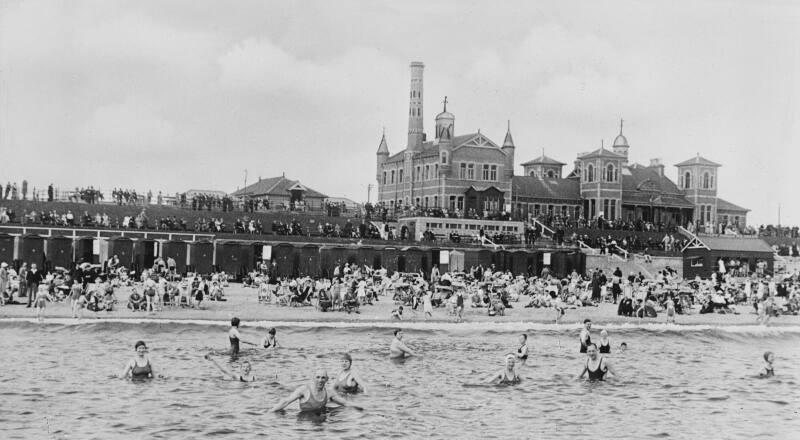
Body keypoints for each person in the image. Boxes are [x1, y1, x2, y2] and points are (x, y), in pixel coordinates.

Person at [269, 368, 360, 413]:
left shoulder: (329, 393)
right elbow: (286, 401)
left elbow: (345, 403)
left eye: (323, 378)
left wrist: (361, 407)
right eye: (318, 377)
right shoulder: (304, 390)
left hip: (321, 421)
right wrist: (270, 412)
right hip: (305, 423)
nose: (320, 380)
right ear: (313, 378)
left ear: (327, 379)